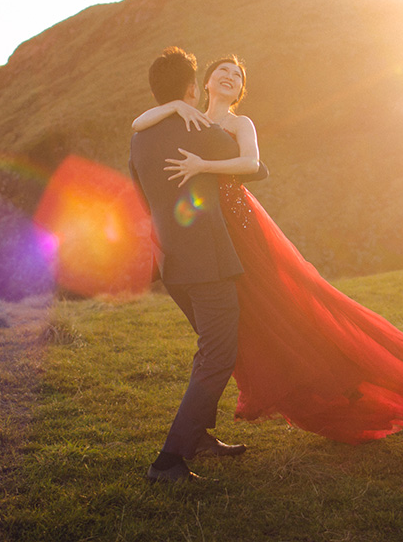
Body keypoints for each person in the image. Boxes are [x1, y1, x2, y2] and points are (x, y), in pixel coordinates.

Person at [133, 54, 403, 445]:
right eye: (223, 72)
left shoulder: (238, 123)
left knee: (287, 310)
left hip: (241, 230)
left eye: (237, 75)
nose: (230, 77)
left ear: (240, 90)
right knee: (245, 331)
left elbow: (252, 163)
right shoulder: (188, 118)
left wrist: (202, 166)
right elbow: (139, 123)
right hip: (210, 237)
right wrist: (178, 105)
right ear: (205, 83)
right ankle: (203, 430)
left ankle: (345, 382)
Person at [128, 47, 255, 484]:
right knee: (218, 354)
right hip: (208, 261)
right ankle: (168, 461)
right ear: (189, 88)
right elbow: (249, 162)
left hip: (171, 263)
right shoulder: (199, 126)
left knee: (209, 346)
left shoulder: (139, 137)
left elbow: (144, 198)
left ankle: (199, 436)